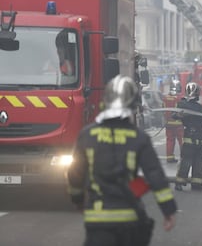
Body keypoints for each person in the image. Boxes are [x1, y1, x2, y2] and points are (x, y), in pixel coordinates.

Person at [67, 75, 177, 246]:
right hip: (129, 219)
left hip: (97, 219)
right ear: (133, 105)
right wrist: (168, 210)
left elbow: (75, 174)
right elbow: (155, 176)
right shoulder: (139, 138)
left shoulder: (87, 135)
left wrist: (78, 200)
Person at [174, 82, 202, 191]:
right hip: (192, 136)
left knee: (198, 162)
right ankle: (182, 182)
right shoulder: (185, 105)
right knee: (188, 162)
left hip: (199, 137)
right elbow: (175, 115)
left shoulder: (193, 106)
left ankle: (195, 183)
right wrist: (179, 115)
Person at [163, 80, 184, 163]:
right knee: (182, 141)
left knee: (170, 141)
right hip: (179, 124)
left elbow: (163, 110)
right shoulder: (179, 98)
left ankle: (169, 157)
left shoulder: (165, 98)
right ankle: (183, 157)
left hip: (168, 123)